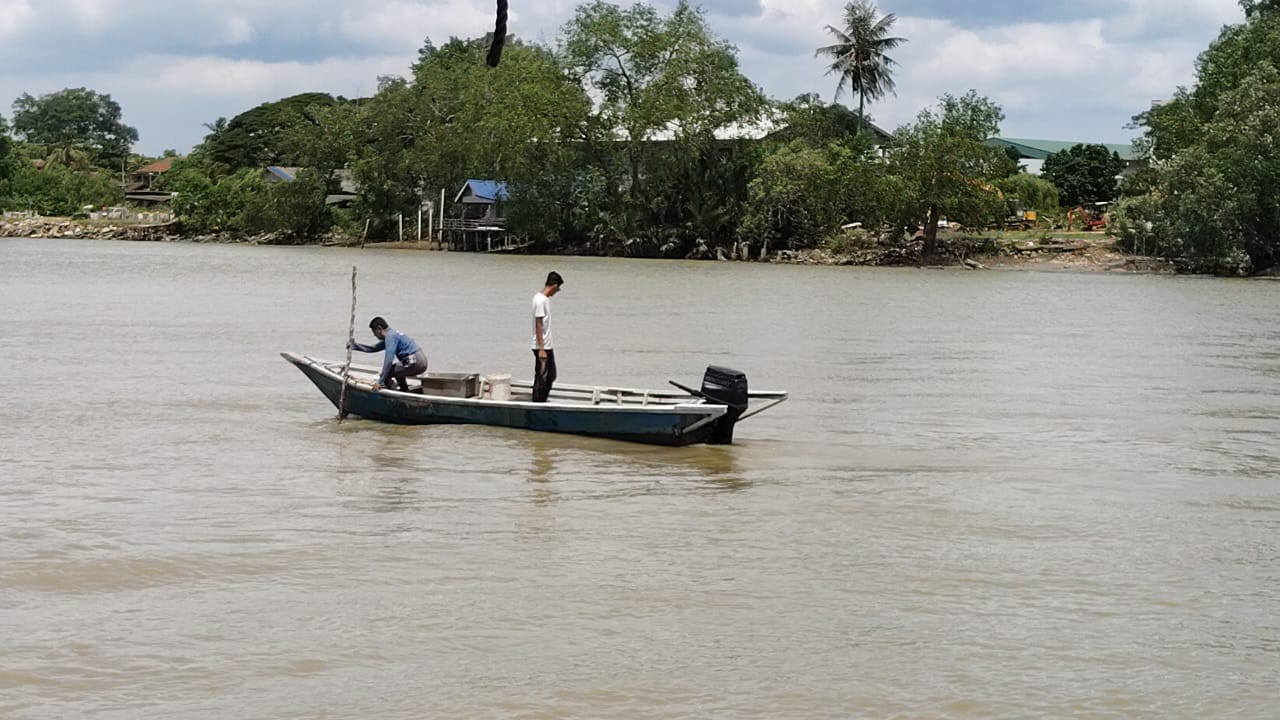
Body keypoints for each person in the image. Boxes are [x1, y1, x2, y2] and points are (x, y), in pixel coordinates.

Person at [349, 316, 427, 391]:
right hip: (421, 359)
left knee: (388, 372)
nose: (374, 335)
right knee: (397, 369)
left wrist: (380, 380)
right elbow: (373, 348)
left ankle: (393, 392)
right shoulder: (393, 334)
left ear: (379, 328)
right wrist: (355, 346)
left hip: (415, 361)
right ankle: (404, 389)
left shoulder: (390, 337)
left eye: (374, 332)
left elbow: (388, 361)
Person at [531, 271, 563, 402]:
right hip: (542, 346)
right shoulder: (540, 301)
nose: (557, 291)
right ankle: (538, 401)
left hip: (547, 345)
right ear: (554, 286)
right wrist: (541, 349)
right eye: (558, 288)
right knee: (543, 376)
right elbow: (538, 325)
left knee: (551, 375)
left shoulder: (543, 300)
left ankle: (542, 399)